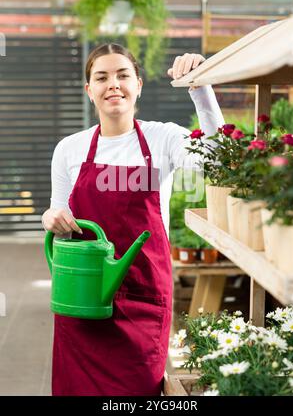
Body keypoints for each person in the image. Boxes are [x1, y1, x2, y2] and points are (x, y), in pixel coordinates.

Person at [42, 43, 225, 396]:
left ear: (138, 85)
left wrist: (201, 88)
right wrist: (50, 217)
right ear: (89, 91)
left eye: (123, 75)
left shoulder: (163, 138)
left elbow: (216, 162)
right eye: (102, 77)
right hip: (83, 298)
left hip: (143, 297)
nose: (113, 84)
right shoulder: (69, 148)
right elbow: (58, 212)